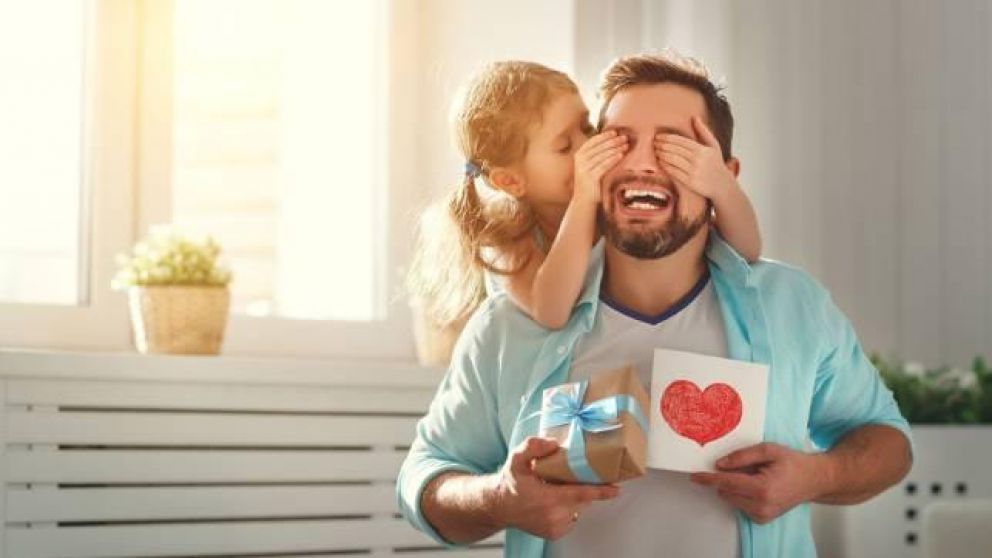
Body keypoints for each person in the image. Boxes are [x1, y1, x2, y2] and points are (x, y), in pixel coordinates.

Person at [397, 51, 913, 558]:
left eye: (676, 147)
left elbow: (889, 444)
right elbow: (425, 477)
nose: (642, 162)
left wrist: (815, 476)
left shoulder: (793, 307)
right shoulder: (511, 322)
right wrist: (499, 498)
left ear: (723, 173)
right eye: (617, 141)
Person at [406, 60, 762, 335]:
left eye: (588, 127)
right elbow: (552, 311)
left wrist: (721, 185)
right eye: (564, 146)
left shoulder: (617, 202)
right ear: (511, 181)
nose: (588, 146)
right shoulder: (509, 235)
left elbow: (746, 250)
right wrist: (583, 202)